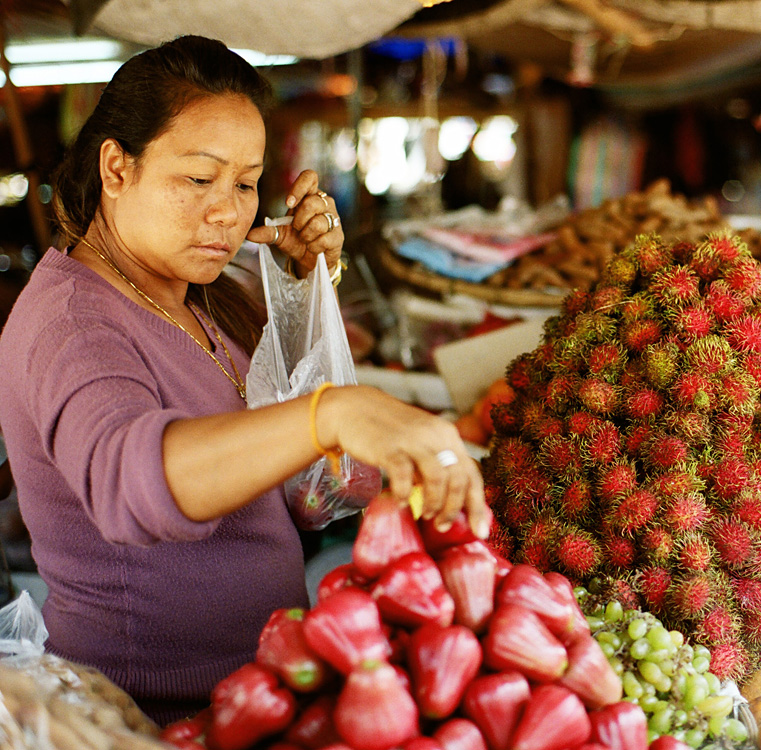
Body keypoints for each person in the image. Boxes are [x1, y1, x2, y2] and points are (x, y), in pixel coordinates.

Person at [0, 36, 489, 725]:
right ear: (116, 167)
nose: (227, 212)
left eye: (245, 183)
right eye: (199, 179)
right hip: (155, 716)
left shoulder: (193, 292)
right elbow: (127, 481)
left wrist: (305, 289)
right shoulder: (73, 323)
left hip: (260, 686)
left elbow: (307, 490)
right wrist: (333, 413)